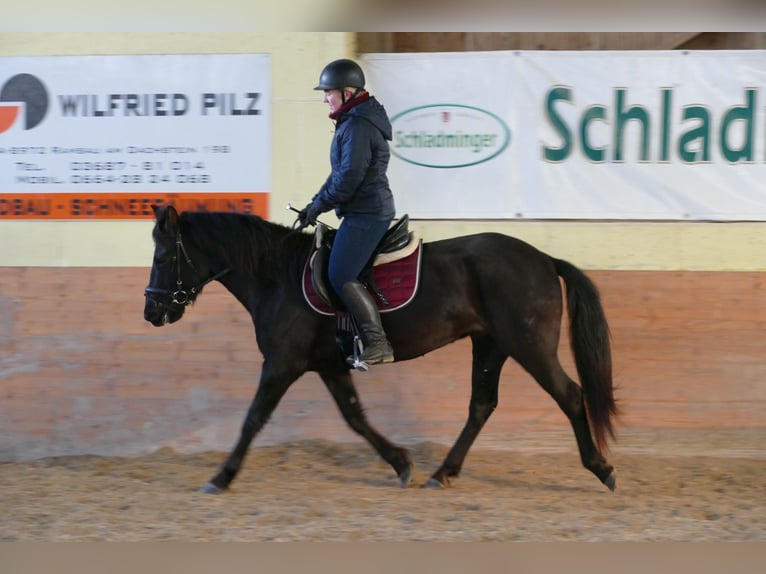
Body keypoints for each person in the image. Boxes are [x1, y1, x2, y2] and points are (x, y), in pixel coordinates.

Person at [297, 58, 396, 366]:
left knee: (340, 273)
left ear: (348, 92)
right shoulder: (353, 121)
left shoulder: (358, 125)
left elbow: (348, 178)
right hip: (361, 210)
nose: (325, 97)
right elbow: (339, 174)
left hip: (367, 213)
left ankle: (377, 343)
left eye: (329, 92)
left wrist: (319, 206)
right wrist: (314, 204)